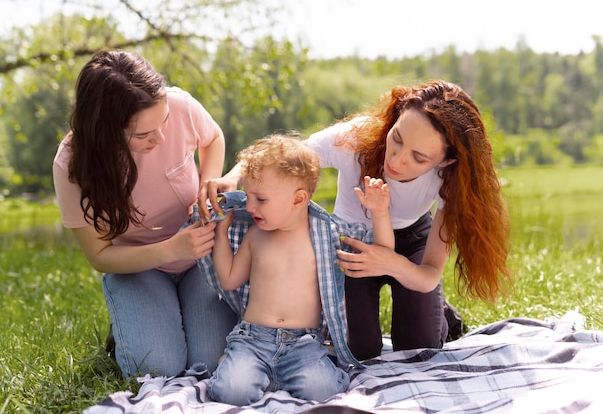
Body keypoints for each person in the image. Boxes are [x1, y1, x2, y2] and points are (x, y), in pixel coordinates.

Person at [198, 80, 511, 361]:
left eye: (419, 158)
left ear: (446, 160)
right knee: (359, 350)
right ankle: (419, 307)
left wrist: (390, 262)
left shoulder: (450, 181)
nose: (397, 160)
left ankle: (439, 314)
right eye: (398, 138)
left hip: (411, 242)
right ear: (396, 118)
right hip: (352, 243)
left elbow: (428, 273)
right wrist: (232, 176)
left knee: (420, 348)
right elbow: (285, 157)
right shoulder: (357, 139)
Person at [52, 49, 237, 378]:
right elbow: (100, 256)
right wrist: (171, 249)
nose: (161, 138)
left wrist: (207, 182)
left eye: (163, 122)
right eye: (142, 134)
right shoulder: (71, 164)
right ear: (105, 132)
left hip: (201, 259)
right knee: (156, 369)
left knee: (210, 363)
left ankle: (171, 311)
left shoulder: (178, 105)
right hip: (139, 268)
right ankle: (133, 319)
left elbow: (213, 138)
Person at [205, 134, 393, 405]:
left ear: (298, 199)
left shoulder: (327, 236)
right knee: (232, 391)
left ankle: (278, 376)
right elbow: (229, 279)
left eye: (260, 198)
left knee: (325, 391)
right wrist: (221, 236)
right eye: (248, 196)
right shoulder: (255, 236)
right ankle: (243, 369)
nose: (249, 206)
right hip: (253, 339)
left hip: (304, 344)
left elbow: (381, 252)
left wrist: (380, 213)